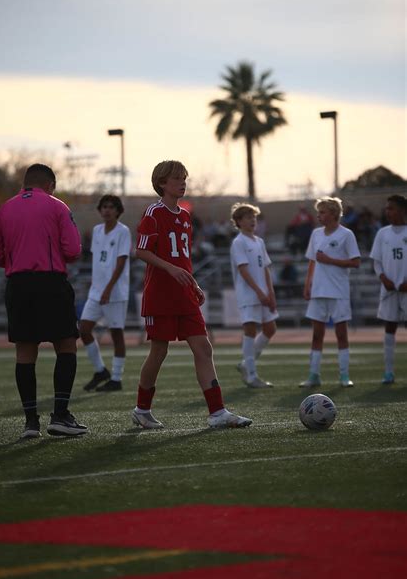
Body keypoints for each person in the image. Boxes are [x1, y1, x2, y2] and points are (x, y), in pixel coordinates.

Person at [132, 159, 252, 429]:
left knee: (203, 347)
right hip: (161, 293)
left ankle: (217, 412)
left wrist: (192, 282)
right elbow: (141, 251)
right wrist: (170, 269)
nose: (183, 182)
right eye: (177, 178)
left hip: (183, 293)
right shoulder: (153, 212)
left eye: (184, 178)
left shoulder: (185, 216)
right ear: (162, 183)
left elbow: (183, 258)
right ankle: (142, 409)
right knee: (159, 351)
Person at [0, 163, 87, 439]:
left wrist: (18, 256)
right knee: (66, 346)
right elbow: (74, 249)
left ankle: (31, 421)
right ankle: (60, 416)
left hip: (18, 286)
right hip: (51, 283)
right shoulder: (57, 206)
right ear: (50, 185)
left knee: (25, 353)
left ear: (25, 183)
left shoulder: (4, 209)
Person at [300, 196, 361, 388]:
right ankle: (314, 375)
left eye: (322, 212)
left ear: (334, 214)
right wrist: (307, 284)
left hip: (338, 291)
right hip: (318, 291)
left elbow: (356, 262)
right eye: (318, 212)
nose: (319, 216)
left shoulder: (346, 234)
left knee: (341, 334)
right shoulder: (316, 234)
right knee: (317, 335)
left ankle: (344, 375)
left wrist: (330, 260)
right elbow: (312, 261)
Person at [80, 194, 131, 392]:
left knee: (117, 333)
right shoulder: (97, 230)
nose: (107, 210)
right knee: (84, 329)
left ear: (118, 211)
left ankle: (116, 379)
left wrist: (109, 288)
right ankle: (101, 370)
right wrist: (97, 286)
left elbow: (121, 261)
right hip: (97, 291)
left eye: (111, 207)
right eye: (104, 207)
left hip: (115, 292)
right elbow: (98, 261)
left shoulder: (123, 231)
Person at [230, 203, 277, 388]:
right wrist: (259, 292)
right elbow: (243, 270)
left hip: (263, 294)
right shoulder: (238, 242)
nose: (252, 220)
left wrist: (270, 293)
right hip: (248, 295)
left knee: (270, 329)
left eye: (254, 217)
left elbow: (266, 269)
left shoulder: (259, 241)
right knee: (250, 330)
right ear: (239, 221)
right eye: (248, 217)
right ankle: (251, 374)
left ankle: (245, 364)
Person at [369, 195, 407, 384]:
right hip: (389, 289)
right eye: (386, 209)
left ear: (402, 211)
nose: (387, 212)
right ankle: (389, 372)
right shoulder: (382, 233)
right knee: (389, 328)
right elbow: (377, 262)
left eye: (391, 208)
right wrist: (383, 278)